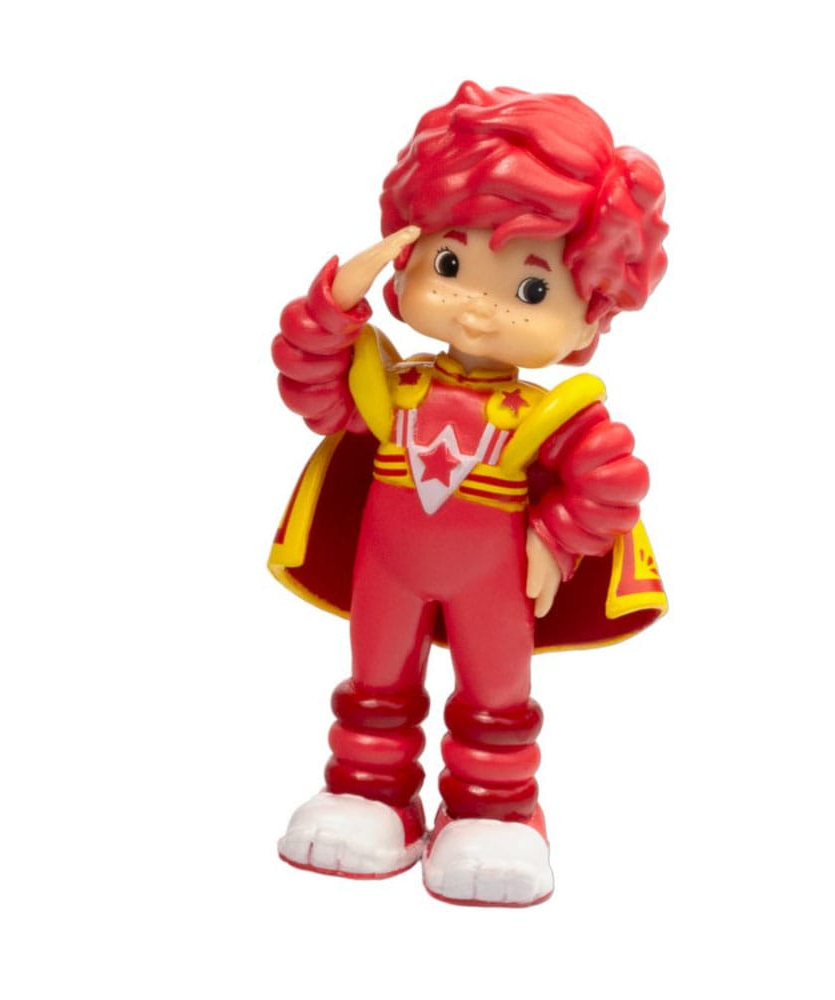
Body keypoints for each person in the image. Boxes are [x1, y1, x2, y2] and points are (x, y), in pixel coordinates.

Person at [268, 81, 669, 906]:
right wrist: (336, 303)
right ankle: (369, 794)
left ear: (590, 314)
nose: (480, 311)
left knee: (497, 696)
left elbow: (612, 477)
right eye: (451, 265)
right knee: (375, 681)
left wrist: (555, 537)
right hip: (387, 569)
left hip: (496, 581)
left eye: (531, 290)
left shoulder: (551, 414)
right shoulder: (393, 386)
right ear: (408, 255)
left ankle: (495, 810)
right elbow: (312, 384)